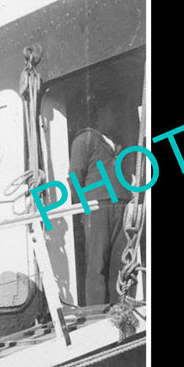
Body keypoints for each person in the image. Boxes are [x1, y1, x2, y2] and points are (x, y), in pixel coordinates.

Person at [69, 92, 132, 306]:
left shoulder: (116, 143)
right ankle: (96, 314)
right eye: (113, 111)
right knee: (97, 264)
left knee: (119, 261)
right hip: (98, 208)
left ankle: (119, 310)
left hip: (120, 205)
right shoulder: (84, 140)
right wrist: (83, 209)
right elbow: (75, 176)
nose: (116, 116)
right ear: (101, 113)